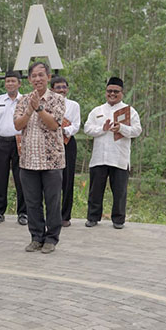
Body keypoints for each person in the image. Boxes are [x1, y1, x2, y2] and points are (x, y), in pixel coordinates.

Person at [13, 62, 66, 254]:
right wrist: (29, 109)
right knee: (32, 202)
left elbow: (54, 124)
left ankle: (51, 238)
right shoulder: (23, 99)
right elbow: (18, 125)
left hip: (52, 160)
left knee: (52, 201)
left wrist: (39, 109)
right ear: (29, 79)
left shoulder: (57, 99)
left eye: (41, 75)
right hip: (28, 160)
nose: (37, 79)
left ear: (49, 77)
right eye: (34, 76)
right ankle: (36, 237)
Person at [84, 77, 142, 229]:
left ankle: (118, 219)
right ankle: (93, 217)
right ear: (106, 92)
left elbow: (137, 130)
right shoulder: (97, 111)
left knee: (119, 191)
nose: (112, 94)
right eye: (109, 91)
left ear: (122, 93)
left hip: (119, 157)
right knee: (95, 190)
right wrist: (102, 129)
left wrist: (121, 128)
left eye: (116, 91)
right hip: (99, 157)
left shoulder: (130, 111)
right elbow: (87, 128)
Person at [0, 71, 28, 225]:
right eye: (7, 81)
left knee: (22, 179)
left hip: (19, 142)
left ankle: (23, 213)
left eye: (13, 81)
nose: (10, 84)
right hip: (0, 142)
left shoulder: (25, 100)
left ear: (19, 83)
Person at [51, 76, 80, 227]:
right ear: (52, 89)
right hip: (50, 144)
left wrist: (63, 130)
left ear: (67, 89)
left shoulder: (73, 105)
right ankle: (51, 214)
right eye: (58, 87)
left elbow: (76, 125)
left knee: (68, 179)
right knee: (51, 179)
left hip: (68, 143)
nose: (61, 90)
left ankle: (65, 216)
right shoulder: (47, 104)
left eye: (64, 87)